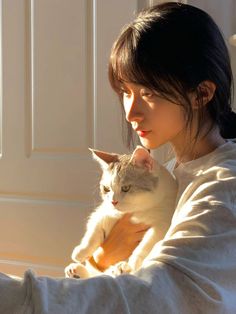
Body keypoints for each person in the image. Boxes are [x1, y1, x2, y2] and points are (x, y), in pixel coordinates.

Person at [1, 2, 236, 313]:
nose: (130, 112)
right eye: (126, 91)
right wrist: (102, 258)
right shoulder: (166, 175)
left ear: (201, 94)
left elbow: (160, 296)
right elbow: (123, 282)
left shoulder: (224, 187)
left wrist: (18, 295)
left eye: (148, 93)